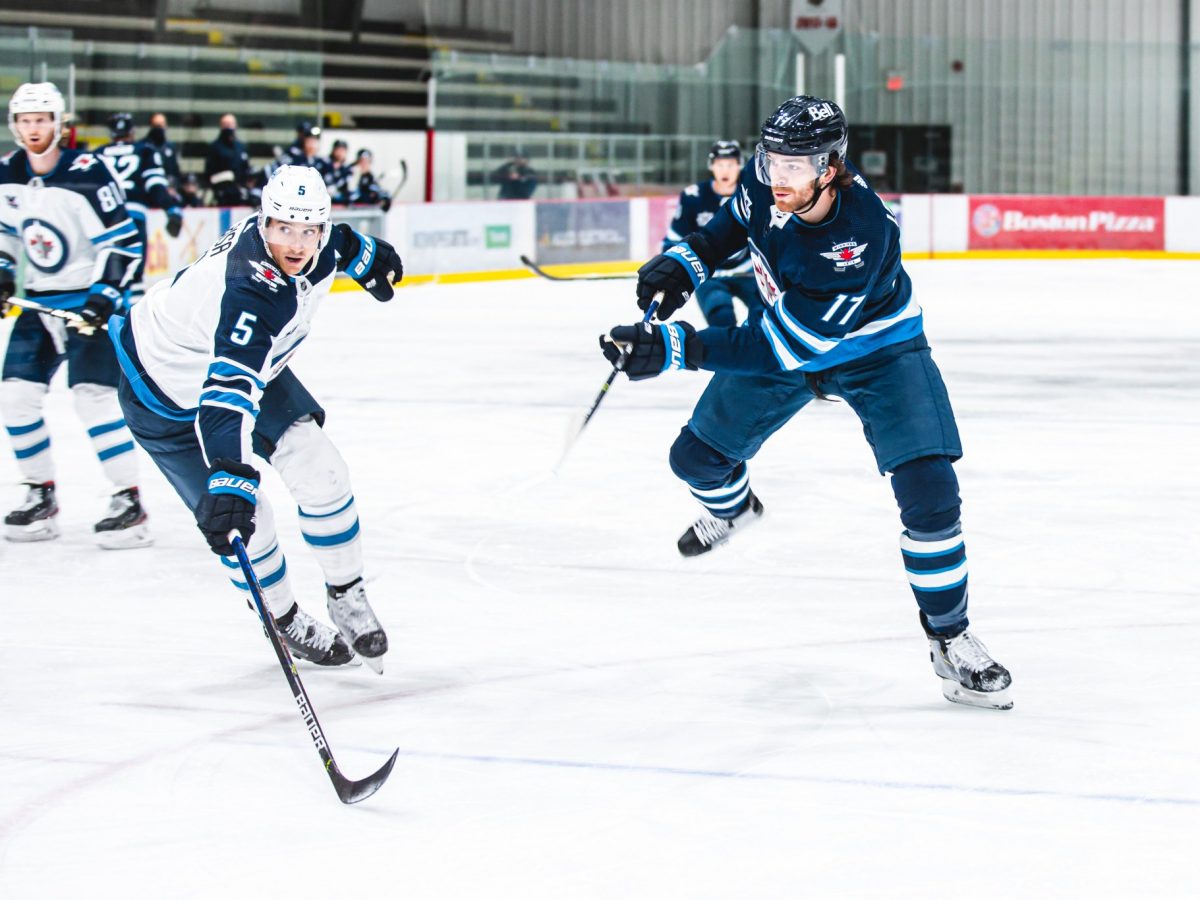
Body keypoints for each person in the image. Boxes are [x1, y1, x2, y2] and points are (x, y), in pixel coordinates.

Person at [599, 96, 1012, 711]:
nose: (778, 175)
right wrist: (683, 265)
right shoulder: (768, 180)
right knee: (695, 459)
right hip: (792, 334)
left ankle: (949, 636)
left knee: (930, 494)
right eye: (772, 160)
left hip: (879, 353)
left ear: (831, 166)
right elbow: (728, 226)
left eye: (796, 165)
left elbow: (782, 348)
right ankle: (735, 510)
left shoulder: (859, 236)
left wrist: (674, 347)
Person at [108, 165, 403, 669]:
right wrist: (230, 474)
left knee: (321, 468)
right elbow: (226, 398)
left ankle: (346, 592)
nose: (296, 244)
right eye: (284, 228)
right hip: (161, 393)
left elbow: (340, 242)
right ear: (263, 221)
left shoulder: (319, 243)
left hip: (243, 368)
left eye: (308, 230)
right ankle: (283, 620)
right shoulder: (250, 289)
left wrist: (365, 253)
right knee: (247, 521)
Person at [0, 82, 151, 548]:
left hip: (87, 305)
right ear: (15, 125)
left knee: (92, 399)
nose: (33, 129)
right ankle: (39, 494)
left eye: (41, 120)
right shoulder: (7, 172)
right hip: (40, 303)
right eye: (25, 121)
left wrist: (103, 296)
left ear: (58, 123)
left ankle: (129, 502)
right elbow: (6, 237)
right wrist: (3, 273)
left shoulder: (88, 172)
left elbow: (124, 243)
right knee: (15, 397)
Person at [662, 140, 761, 328]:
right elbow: (675, 238)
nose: (725, 170)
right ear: (711, 166)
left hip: (749, 274)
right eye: (720, 165)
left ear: (740, 165)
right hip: (709, 275)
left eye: (730, 165)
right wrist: (670, 270)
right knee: (722, 320)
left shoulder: (753, 193)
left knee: (767, 319)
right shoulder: (694, 197)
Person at [98, 112, 184, 301]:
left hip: (104, 220)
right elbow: (155, 184)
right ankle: (129, 315)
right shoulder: (145, 150)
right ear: (132, 131)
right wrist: (171, 209)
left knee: (106, 271)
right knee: (133, 270)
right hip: (133, 217)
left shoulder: (98, 153)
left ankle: (106, 309)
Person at [204, 114, 251, 207]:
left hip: (239, 192)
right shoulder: (214, 147)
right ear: (221, 126)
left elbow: (246, 168)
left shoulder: (241, 147)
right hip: (221, 193)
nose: (229, 127)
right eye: (226, 125)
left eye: (231, 124)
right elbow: (209, 172)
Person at [143, 112, 181, 192]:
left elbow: (175, 172)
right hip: (149, 188)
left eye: (161, 125)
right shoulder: (143, 146)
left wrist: (173, 187)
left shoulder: (170, 147)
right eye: (156, 125)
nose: (159, 128)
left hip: (168, 189)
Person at [323, 139, 352, 204]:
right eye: (338, 149)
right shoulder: (324, 164)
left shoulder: (348, 169)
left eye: (342, 150)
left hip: (340, 202)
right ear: (333, 150)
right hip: (323, 199)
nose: (340, 152)